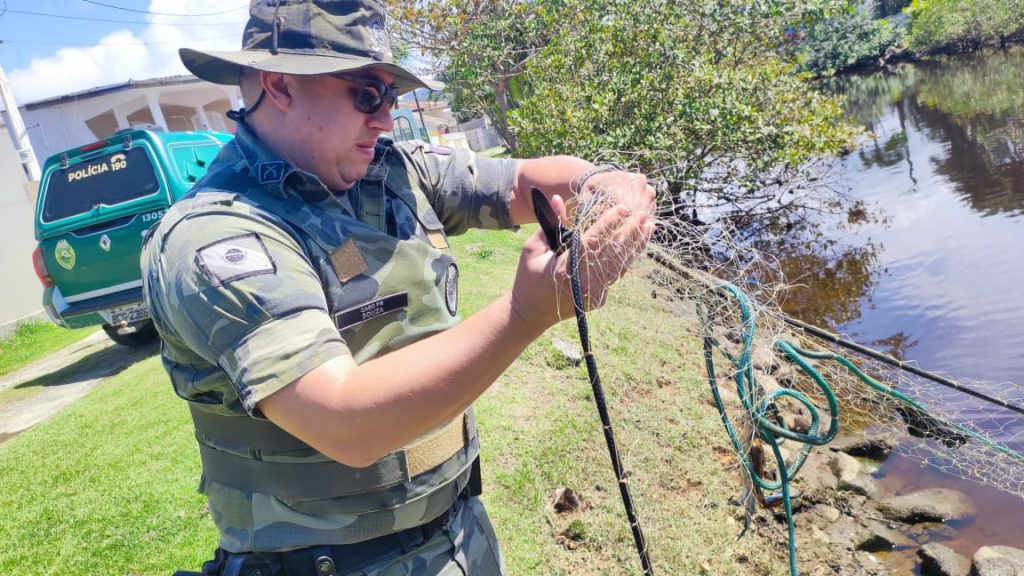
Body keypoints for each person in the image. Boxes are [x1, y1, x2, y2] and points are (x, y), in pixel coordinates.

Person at [143, 1, 654, 575]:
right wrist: (524, 314)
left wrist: (602, 181)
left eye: (389, 97)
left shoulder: (390, 171)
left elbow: (518, 182)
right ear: (280, 85)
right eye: (365, 95)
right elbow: (344, 422)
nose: (385, 119)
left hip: (460, 533)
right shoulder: (217, 235)